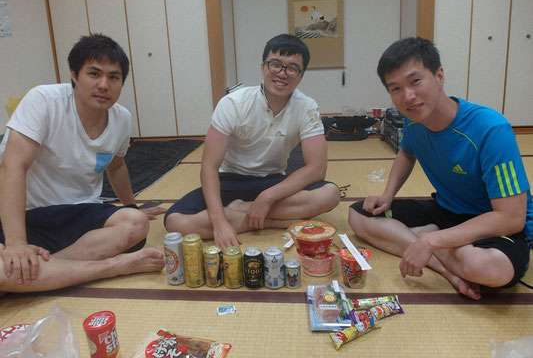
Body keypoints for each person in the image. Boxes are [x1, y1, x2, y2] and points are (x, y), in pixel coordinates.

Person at [349, 37, 532, 300]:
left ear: (439, 76)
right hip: (446, 211)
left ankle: (425, 240)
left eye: (415, 81)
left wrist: (432, 240)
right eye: (396, 88)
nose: (408, 97)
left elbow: (511, 218)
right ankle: (447, 269)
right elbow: (406, 153)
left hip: (492, 223)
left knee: (490, 269)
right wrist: (388, 195)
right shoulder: (413, 121)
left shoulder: (490, 129)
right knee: (358, 215)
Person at [0, 34, 166, 293]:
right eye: (94, 74)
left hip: (78, 214)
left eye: (114, 77)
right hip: (25, 215)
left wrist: (131, 206)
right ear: (74, 75)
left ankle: (36, 276)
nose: (104, 85)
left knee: (135, 224)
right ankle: (111, 266)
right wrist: (16, 243)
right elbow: (13, 166)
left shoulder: (121, 119)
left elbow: (116, 166)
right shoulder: (44, 101)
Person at [165, 34, 340, 248]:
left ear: (301, 76)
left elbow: (316, 169)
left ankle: (243, 212)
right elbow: (209, 166)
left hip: (273, 181)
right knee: (175, 221)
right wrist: (219, 223)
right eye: (275, 65)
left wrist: (266, 198)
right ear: (263, 67)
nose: (282, 74)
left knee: (330, 194)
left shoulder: (307, 107)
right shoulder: (233, 104)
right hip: (229, 181)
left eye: (292, 68)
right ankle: (273, 222)